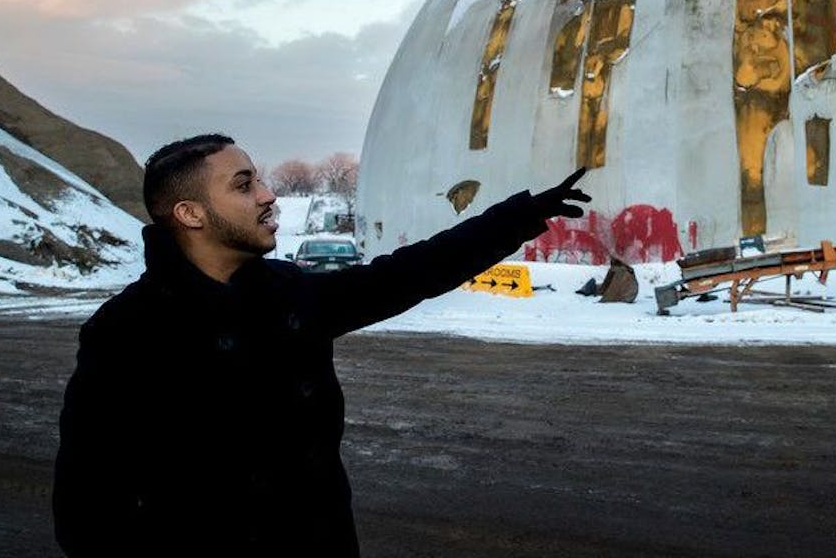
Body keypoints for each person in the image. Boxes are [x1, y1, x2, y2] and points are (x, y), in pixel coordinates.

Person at [53, 133, 588, 556]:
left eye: (259, 181)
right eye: (243, 186)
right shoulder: (127, 332)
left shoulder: (288, 294)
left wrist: (519, 217)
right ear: (190, 214)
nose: (267, 195)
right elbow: (87, 508)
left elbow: (407, 274)